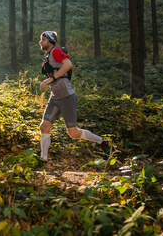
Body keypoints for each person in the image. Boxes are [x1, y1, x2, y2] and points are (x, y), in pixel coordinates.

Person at [38, 31, 110, 162]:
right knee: (44, 126)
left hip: (66, 96)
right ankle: (43, 160)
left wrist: (50, 79)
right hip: (55, 96)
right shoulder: (48, 55)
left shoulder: (55, 51)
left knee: (73, 133)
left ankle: (103, 143)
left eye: (43, 39)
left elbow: (68, 64)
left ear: (50, 41)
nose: (40, 42)